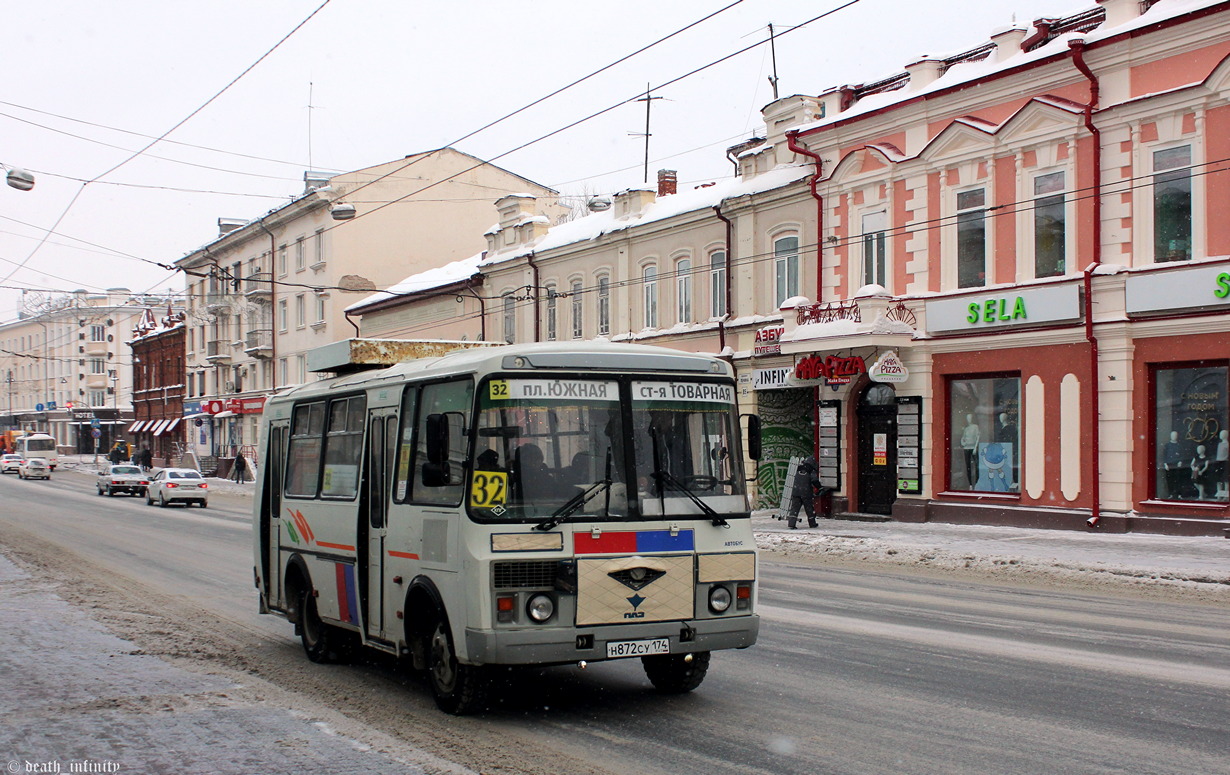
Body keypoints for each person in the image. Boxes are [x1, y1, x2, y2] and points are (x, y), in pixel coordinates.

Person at [786, 455, 821, 529]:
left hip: (796, 491)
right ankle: (812, 523)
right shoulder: (811, 470)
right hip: (806, 492)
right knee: (809, 509)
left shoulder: (797, 468)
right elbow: (814, 480)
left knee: (794, 509)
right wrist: (819, 487)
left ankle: (791, 524)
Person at [959, 414, 979, 488]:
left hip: (973, 447)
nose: (969, 420)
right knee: (968, 466)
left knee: (977, 466)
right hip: (966, 448)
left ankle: (976, 482)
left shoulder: (975, 427)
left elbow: (978, 437)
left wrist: (975, 448)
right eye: (968, 418)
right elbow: (963, 438)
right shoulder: (966, 429)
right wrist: (963, 443)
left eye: (970, 418)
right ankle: (970, 484)